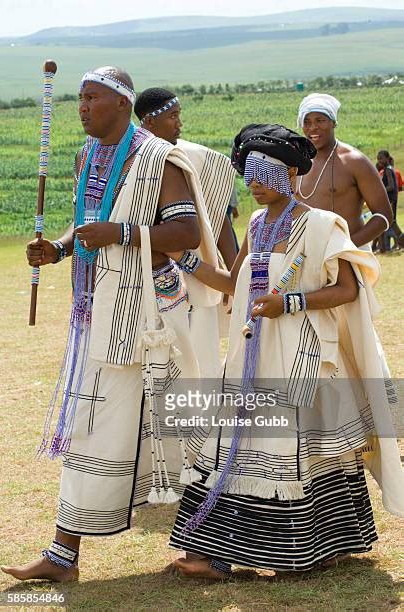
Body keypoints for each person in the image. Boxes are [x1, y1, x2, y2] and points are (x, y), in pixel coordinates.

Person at [1, 66, 220, 582]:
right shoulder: (86, 157)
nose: (82, 107)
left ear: (122, 103)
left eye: (92, 98)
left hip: (151, 319)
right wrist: (58, 247)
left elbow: (185, 232)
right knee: (92, 429)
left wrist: (119, 232)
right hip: (98, 312)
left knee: (186, 431)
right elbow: (88, 225)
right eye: (79, 98)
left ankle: (205, 549)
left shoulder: (158, 159)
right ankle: (63, 555)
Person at [165, 124, 404, 579]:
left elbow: (349, 290)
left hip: (303, 355)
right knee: (243, 446)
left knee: (299, 447)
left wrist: (289, 303)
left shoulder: (321, 226)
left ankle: (318, 547)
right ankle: (218, 552)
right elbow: (233, 284)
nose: (253, 183)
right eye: (248, 173)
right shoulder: (256, 224)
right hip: (253, 353)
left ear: (291, 172)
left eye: (263, 172)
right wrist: (187, 260)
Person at [134, 87, 238, 377]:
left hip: (193, 274)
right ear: (149, 121)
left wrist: (232, 278)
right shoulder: (128, 160)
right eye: (173, 117)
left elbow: (217, 218)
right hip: (141, 277)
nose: (179, 123)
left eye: (179, 116)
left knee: (200, 362)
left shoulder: (192, 156)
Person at [295, 93, 393, 249]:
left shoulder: (354, 161)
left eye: (320, 120)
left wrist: (344, 247)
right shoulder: (296, 162)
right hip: (306, 257)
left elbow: (383, 216)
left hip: (350, 255)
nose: (313, 127)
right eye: (307, 122)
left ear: (333, 122)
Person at [376, 151, 401, 251]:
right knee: (392, 223)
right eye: (378, 159)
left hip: (391, 199)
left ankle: (400, 243)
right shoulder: (388, 169)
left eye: (381, 158)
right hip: (391, 199)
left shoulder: (388, 170)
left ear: (387, 158)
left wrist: (381, 191)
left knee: (392, 222)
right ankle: (384, 247)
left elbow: (391, 186)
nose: (379, 161)